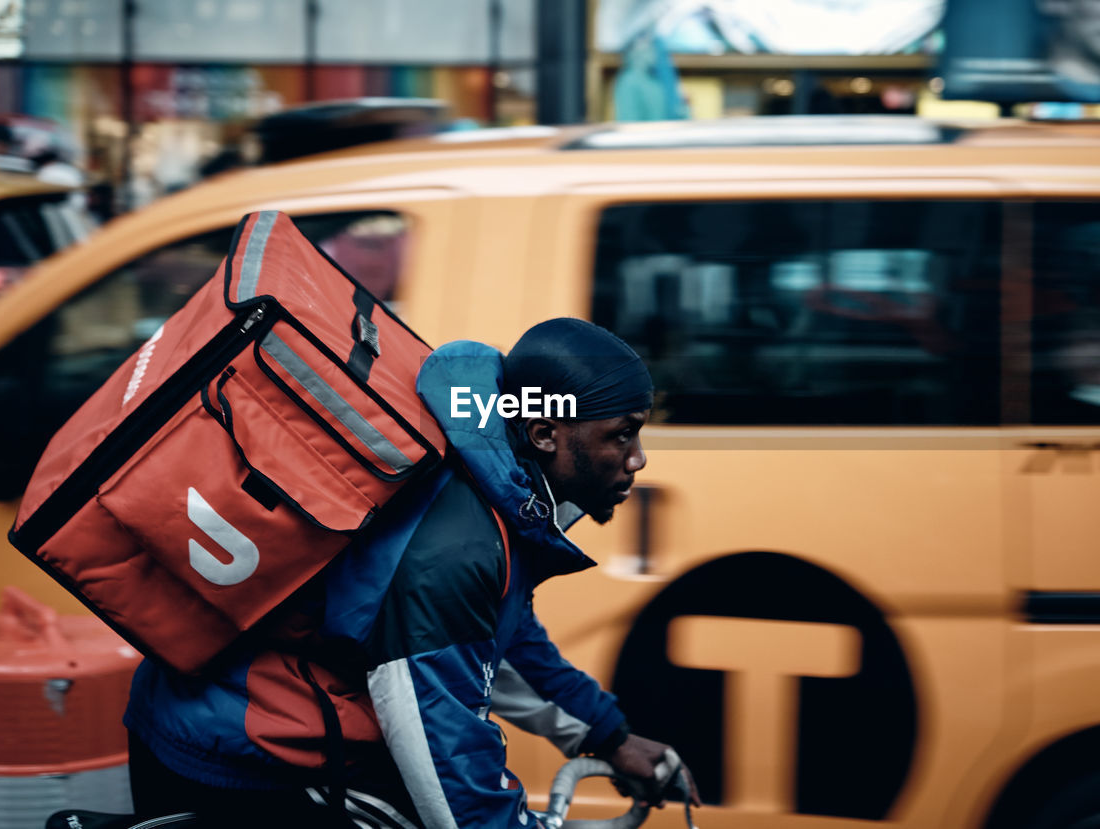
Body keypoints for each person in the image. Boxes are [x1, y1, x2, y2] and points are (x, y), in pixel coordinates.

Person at [123, 317, 698, 828]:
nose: (638, 457)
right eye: (622, 433)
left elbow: (499, 640)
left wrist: (610, 737)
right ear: (546, 433)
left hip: (257, 724)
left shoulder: (499, 484)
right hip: (240, 760)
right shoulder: (457, 548)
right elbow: (445, 755)